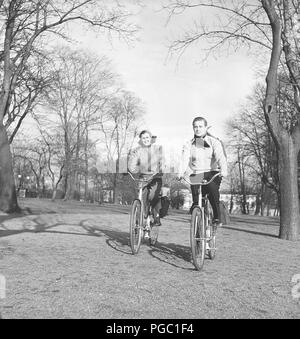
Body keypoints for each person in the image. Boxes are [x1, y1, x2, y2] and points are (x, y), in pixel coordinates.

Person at [177, 117, 227, 227]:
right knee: (195, 193)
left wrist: (224, 170)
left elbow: (220, 157)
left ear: (205, 128)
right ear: (193, 128)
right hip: (197, 173)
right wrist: (180, 173)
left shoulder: (214, 142)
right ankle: (197, 216)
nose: (198, 129)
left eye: (200, 126)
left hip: (212, 172)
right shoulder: (189, 144)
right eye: (195, 127)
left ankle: (217, 216)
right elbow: (184, 159)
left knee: (212, 189)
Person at [128, 130, 164, 229]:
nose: (146, 140)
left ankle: (155, 214)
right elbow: (132, 164)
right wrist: (131, 169)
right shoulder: (137, 151)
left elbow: (162, 161)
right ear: (141, 140)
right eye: (143, 138)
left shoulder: (157, 149)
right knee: (140, 197)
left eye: (147, 137)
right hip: (143, 177)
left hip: (155, 176)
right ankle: (138, 222)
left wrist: (161, 169)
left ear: (151, 138)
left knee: (153, 196)